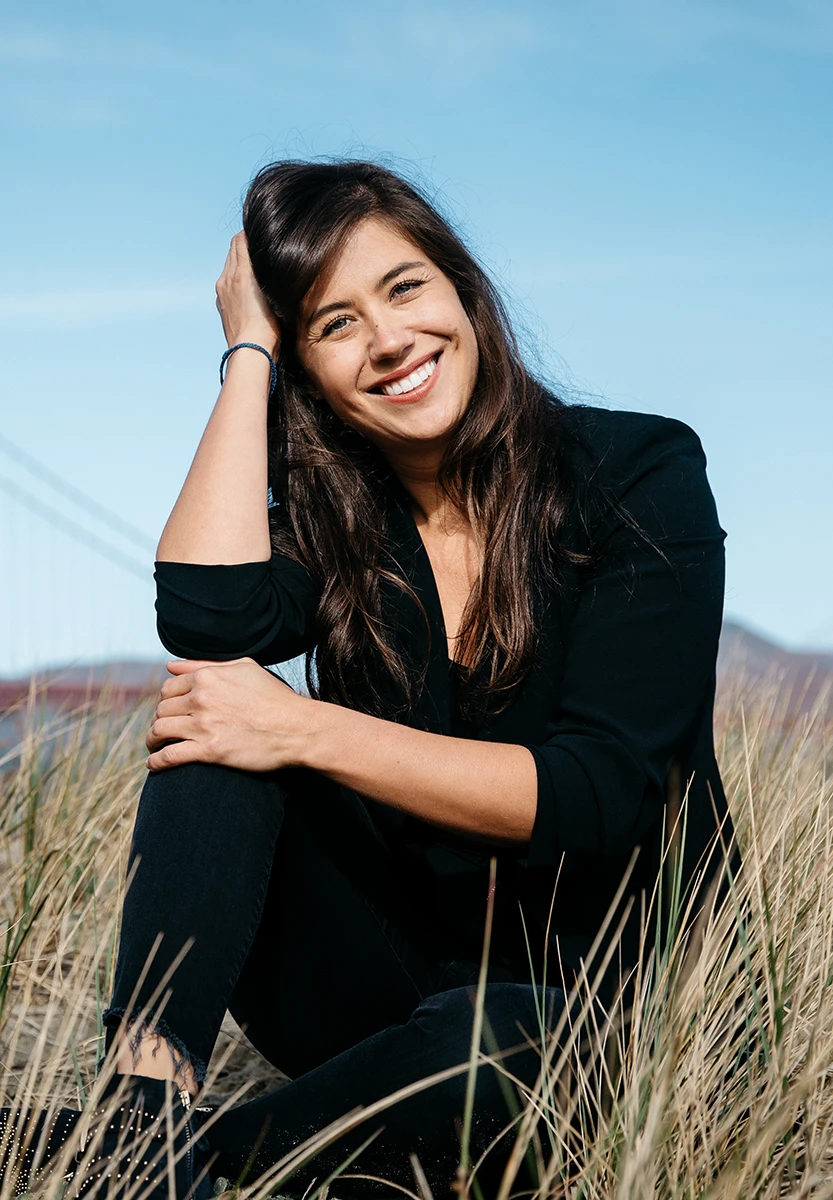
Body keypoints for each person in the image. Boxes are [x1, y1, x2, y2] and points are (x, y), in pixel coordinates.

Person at [0, 160, 735, 1198]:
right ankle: (140, 1108)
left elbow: (598, 795)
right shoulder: (347, 527)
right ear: (308, 367)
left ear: (461, 291)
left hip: (597, 1022)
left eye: (403, 289)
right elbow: (206, 619)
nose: (388, 340)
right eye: (334, 324)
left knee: (495, 1044)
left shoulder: (633, 472)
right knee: (219, 718)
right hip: (390, 987)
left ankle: (150, 1157)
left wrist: (305, 730)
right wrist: (248, 351)